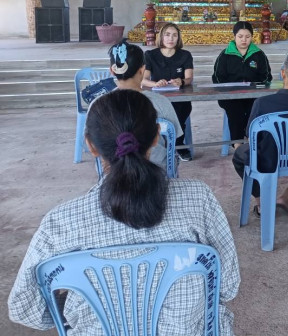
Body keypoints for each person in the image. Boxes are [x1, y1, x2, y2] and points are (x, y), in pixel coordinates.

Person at [8, 89, 241, 336]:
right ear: (156, 137)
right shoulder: (198, 199)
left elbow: (24, 308)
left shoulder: (60, 223)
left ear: (90, 145)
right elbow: (227, 286)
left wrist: (76, 304)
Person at [232, 51, 288, 217]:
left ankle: (261, 201)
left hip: (267, 160)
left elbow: (251, 135)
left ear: (283, 73)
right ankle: (286, 197)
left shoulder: (262, 103)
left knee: (239, 155)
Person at [108, 40, 182, 171]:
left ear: (112, 71)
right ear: (142, 70)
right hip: (157, 170)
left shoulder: (98, 105)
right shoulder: (160, 102)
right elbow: (173, 135)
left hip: (113, 173)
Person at [212, 21, 272, 146]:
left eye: (247, 36)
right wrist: (229, 90)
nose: (244, 40)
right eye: (240, 36)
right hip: (230, 96)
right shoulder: (225, 55)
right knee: (235, 110)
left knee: (255, 108)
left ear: (252, 37)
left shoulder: (259, 55)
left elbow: (266, 76)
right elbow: (217, 77)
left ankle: (252, 140)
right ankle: (238, 144)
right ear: (234, 36)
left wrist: (255, 86)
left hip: (253, 95)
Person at [142, 23, 194, 161]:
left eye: (174, 35)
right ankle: (161, 145)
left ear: (178, 38)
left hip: (179, 98)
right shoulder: (150, 55)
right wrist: (155, 84)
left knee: (180, 110)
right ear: (161, 37)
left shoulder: (185, 55)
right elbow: (144, 80)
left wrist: (181, 81)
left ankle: (178, 145)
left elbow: (189, 78)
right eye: (167, 35)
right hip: (159, 98)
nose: (171, 38)